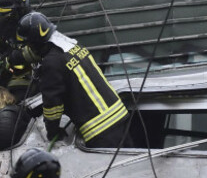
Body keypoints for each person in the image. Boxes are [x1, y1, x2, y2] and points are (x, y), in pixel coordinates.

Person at [13, 12, 131, 149]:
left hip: (99, 129)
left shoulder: (51, 63)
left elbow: (53, 106)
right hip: (120, 115)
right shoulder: (73, 47)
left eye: (28, 44)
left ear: (35, 43)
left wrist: (53, 133)